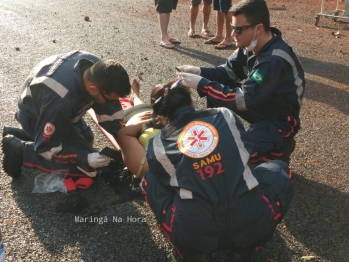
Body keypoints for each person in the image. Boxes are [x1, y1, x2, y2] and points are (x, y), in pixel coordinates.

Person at [139, 79, 293, 262]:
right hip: (251, 221)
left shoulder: (157, 144)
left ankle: (191, 254)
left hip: (195, 232)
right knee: (279, 169)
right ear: (191, 103)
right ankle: (246, 249)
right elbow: (245, 153)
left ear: (162, 118)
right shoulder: (225, 115)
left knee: (148, 180)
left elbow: (167, 184)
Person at [2, 50, 133, 212]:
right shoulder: (61, 101)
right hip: (36, 117)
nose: (112, 103)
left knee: (87, 138)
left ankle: (31, 136)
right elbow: (47, 148)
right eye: (109, 99)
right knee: (88, 172)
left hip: (53, 110)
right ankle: (20, 150)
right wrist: (83, 157)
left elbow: (110, 113)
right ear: (92, 89)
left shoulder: (96, 67)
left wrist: (126, 139)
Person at [178, 0, 305, 165]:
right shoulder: (250, 45)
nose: (232, 34)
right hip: (262, 105)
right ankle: (221, 134)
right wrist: (199, 71)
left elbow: (244, 99)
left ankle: (280, 147)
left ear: (257, 28)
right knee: (216, 89)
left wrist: (203, 84)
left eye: (238, 29)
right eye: (232, 27)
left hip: (279, 120)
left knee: (235, 160)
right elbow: (227, 73)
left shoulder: (273, 60)